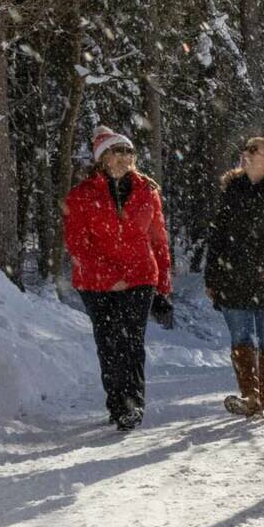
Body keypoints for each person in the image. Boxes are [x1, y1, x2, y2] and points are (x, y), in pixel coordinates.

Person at [64, 126, 173, 432]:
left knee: (132, 341)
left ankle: (133, 404)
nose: (125, 157)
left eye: (129, 151)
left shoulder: (147, 191)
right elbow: (77, 244)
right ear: (103, 158)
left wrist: (164, 286)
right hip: (96, 283)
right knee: (109, 341)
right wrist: (110, 277)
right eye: (118, 151)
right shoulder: (82, 195)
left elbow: (158, 241)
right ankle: (116, 402)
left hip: (140, 277)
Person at [204, 136, 264, 416]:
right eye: (244, 150)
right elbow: (218, 237)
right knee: (240, 337)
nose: (245, 155)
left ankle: (263, 399)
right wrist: (211, 277)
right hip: (232, 276)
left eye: (253, 150)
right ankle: (250, 397)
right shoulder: (232, 191)